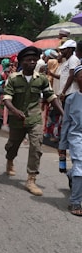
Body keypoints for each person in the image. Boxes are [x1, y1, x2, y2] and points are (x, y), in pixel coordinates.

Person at [3, 46, 64, 196]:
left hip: (34, 118)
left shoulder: (41, 79)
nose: (31, 62)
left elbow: (51, 97)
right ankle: (10, 159)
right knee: (12, 145)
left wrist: (64, 114)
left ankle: (31, 179)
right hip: (17, 120)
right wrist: (15, 111)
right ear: (21, 62)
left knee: (36, 146)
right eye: (27, 60)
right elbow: (6, 99)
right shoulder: (13, 78)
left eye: (33, 60)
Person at [59, 65, 82, 216]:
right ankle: (75, 202)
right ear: (76, 79)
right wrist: (62, 146)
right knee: (80, 167)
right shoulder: (71, 99)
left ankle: (71, 174)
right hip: (77, 136)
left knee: (78, 169)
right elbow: (66, 122)